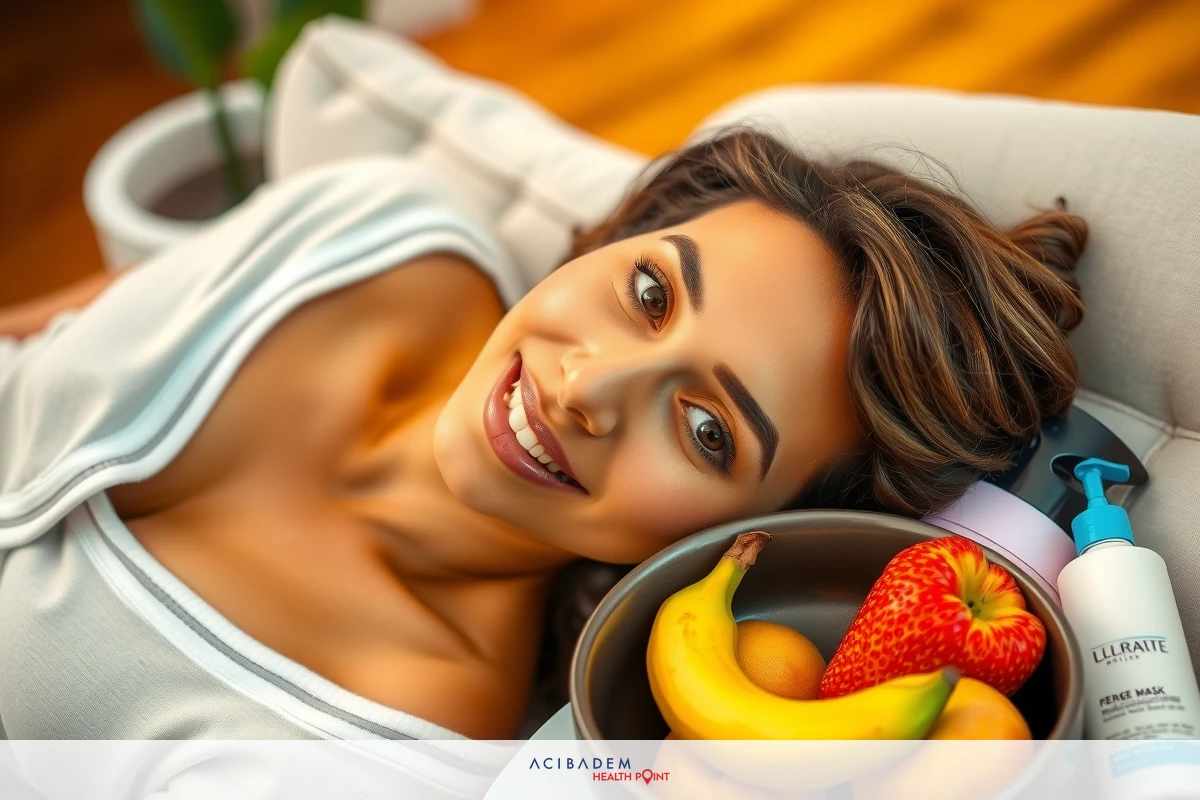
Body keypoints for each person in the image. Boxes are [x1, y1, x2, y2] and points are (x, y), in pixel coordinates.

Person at [0, 129, 1085, 742]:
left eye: (707, 429)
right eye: (651, 291)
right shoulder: (377, 225)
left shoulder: (381, 752)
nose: (588, 387)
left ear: (753, 533)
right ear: (618, 239)